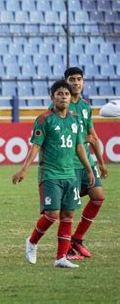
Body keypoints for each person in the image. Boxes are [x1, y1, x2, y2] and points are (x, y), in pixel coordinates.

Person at [13, 80, 95, 269]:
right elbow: (36, 145)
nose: (64, 97)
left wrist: (89, 169)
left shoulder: (74, 119)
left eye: (66, 94)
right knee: (52, 215)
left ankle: (61, 257)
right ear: (52, 97)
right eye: (59, 94)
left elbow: (80, 146)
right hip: (50, 174)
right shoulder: (44, 119)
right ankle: (32, 242)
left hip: (70, 174)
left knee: (67, 216)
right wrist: (24, 168)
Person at [63, 67, 108, 259]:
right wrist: (83, 139)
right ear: (66, 82)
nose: (76, 83)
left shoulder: (85, 107)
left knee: (98, 197)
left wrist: (101, 162)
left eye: (79, 79)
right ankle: (67, 248)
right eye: (71, 79)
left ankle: (77, 239)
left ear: (83, 82)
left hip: (87, 162)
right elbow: (60, 137)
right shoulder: (60, 105)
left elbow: (93, 135)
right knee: (68, 209)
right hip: (69, 163)